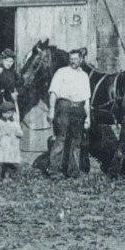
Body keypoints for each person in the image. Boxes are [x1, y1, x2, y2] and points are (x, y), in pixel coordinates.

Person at [46, 46, 92, 178]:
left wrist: (88, 117)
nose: (73, 61)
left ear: (81, 59)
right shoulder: (61, 72)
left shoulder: (84, 76)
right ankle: (54, 170)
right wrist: (51, 110)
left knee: (76, 141)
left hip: (78, 109)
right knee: (60, 138)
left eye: (76, 59)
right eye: (71, 59)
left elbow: (86, 99)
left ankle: (73, 171)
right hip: (64, 107)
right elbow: (53, 92)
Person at [0, 101, 22, 181]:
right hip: (1, 144)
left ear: (12, 113)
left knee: (8, 161)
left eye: (8, 113)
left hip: (10, 145)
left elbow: (19, 131)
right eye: (4, 113)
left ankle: (6, 176)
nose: (6, 115)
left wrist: (19, 133)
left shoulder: (15, 122)